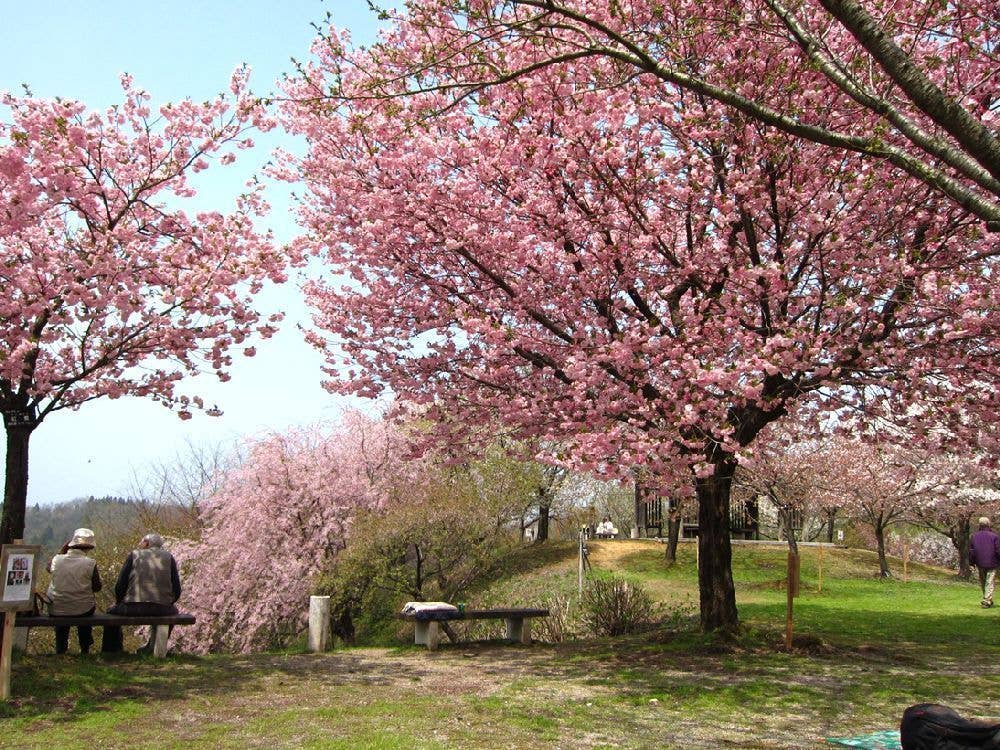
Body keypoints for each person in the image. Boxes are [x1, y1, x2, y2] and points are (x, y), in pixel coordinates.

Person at [101, 533, 182, 653]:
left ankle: (112, 650)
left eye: (142, 542)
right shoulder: (169, 557)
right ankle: (153, 646)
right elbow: (176, 588)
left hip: (133, 607)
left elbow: (120, 584)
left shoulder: (134, 555)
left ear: (148, 543)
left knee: (110, 613)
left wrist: (119, 602)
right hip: (162, 609)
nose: (140, 544)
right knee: (173, 612)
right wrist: (169, 602)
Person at [46, 528, 102, 655]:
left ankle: (61, 649)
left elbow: (48, 568)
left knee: (62, 610)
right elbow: (97, 587)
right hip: (83, 609)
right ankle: (85, 649)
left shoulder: (57, 560)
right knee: (84, 609)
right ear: (89, 548)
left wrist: (61, 550)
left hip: (56, 608)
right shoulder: (90, 563)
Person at [969, 516, 1000, 608]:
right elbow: (998, 550)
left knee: (983, 581)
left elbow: (971, 551)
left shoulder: (974, 536)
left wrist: (971, 562)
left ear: (980, 525)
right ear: (988, 524)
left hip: (980, 562)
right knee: (989, 581)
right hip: (992, 562)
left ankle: (987, 599)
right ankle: (987, 599)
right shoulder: (994, 536)